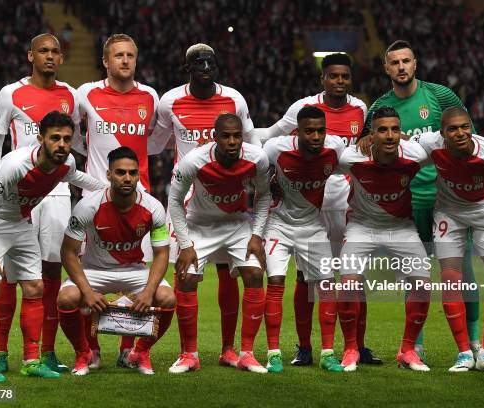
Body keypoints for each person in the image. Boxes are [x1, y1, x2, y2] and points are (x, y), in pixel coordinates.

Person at [255, 53, 378, 365]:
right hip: (308, 200)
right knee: (304, 278)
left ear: (351, 79)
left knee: (352, 274)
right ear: (322, 78)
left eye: (345, 77)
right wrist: (269, 178)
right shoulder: (302, 107)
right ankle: (305, 348)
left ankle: (356, 346)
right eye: (333, 76)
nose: (339, 82)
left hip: (346, 198)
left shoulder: (361, 109)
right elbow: (269, 136)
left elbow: (361, 151)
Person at [360, 40, 479, 360]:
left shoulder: (440, 96)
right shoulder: (378, 110)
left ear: (415, 64)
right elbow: (363, 152)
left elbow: (469, 138)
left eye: (406, 61)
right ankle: (416, 346)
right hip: (407, 204)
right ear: (386, 68)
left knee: (462, 274)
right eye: (394, 62)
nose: (401, 67)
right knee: (415, 276)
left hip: (447, 201)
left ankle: (475, 345)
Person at [148, 43, 259, 367]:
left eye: (211, 63)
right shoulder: (170, 101)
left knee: (230, 276)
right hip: (188, 202)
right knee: (187, 276)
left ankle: (228, 350)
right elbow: (154, 143)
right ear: (187, 68)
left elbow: (252, 143)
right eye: (199, 64)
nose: (206, 68)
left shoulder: (234, 99)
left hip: (230, 201)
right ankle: (189, 353)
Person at [0, 33, 79, 374]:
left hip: (55, 192)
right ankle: (0, 353)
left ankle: (44, 353)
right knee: (3, 275)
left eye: (55, 52)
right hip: (16, 192)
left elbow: (73, 147)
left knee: (49, 271)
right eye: (43, 51)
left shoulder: (70, 96)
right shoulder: (10, 93)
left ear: (61, 58)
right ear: (30, 56)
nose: (49, 56)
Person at [0, 111, 105, 382]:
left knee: (35, 288)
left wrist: (107, 188)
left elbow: (77, 178)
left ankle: (31, 361)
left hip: (21, 221)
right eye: (55, 138)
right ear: (40, 139)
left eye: (67, 139)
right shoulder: (15, 164)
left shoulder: (65, 162)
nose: (62, 144)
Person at [74, 33, 160, 366]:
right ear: (106, 61)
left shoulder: (150, 96)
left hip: (139, 200)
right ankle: (91, 349)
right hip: (94, 201)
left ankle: (128, 348)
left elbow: (153, 141)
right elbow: (77, 139)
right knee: (89, 277)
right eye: (118, 55)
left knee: (134, 278)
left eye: (131, 55)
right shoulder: (86, 94)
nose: (125, 60)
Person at [58, 146, 175, 376]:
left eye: (132, 173)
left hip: (134, 270)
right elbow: (68, 252)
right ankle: (84, 353)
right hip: (94, 269)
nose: (127, 178)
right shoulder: (87, 206)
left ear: (138, 175)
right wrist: (87, 292)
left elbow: (162, 253)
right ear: (109, 174)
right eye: (120, 172)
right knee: (67, 298)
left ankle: (139, 353)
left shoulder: (152, 207)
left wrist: (150, 290)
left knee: (167, 298)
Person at [167, 114, 270, 373]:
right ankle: (189, 354)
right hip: (199, 224)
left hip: (237, 223)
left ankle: (245, 353)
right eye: (226, 136)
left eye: (237, 135)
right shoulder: (194, 161)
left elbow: (264, 195)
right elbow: (175, 202)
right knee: (186, 278)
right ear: (215, 137)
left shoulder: (257, 158)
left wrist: (257, 235)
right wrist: (186, 243)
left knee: (256, 274)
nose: (232, 141)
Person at [416, 107, 484, 373]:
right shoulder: (429, 144)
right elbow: (401, 148)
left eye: (465, 127)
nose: (460, 133)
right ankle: (463, 354)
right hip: (450, 213)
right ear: (442, 134)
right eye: (453, 129)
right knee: (450, 278)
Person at [339, 107, 432, 372]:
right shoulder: (351, 157)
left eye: (394, 129)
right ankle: (350, 349)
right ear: (372, 134)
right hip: (361, 227)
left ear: (400, 132)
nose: (389, 136)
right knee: (348, 286)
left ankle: (408, 350)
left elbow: (443, 147)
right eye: (382, 130)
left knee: (423, 285)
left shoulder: (416, 155)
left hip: (401, 227)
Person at [263, 106, 355, 373]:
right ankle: (273, 353)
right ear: (297, 132)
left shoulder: (334, 149)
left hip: (313, 226)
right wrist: (265, 182)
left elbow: (360, 164)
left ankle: (327, 353)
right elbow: (252, 165)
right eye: (310, 131)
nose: (316, 136)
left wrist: (367, 141)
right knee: (276, 281)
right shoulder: (276, 148)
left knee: (326, 284)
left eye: (320, 131)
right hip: (278, 225)